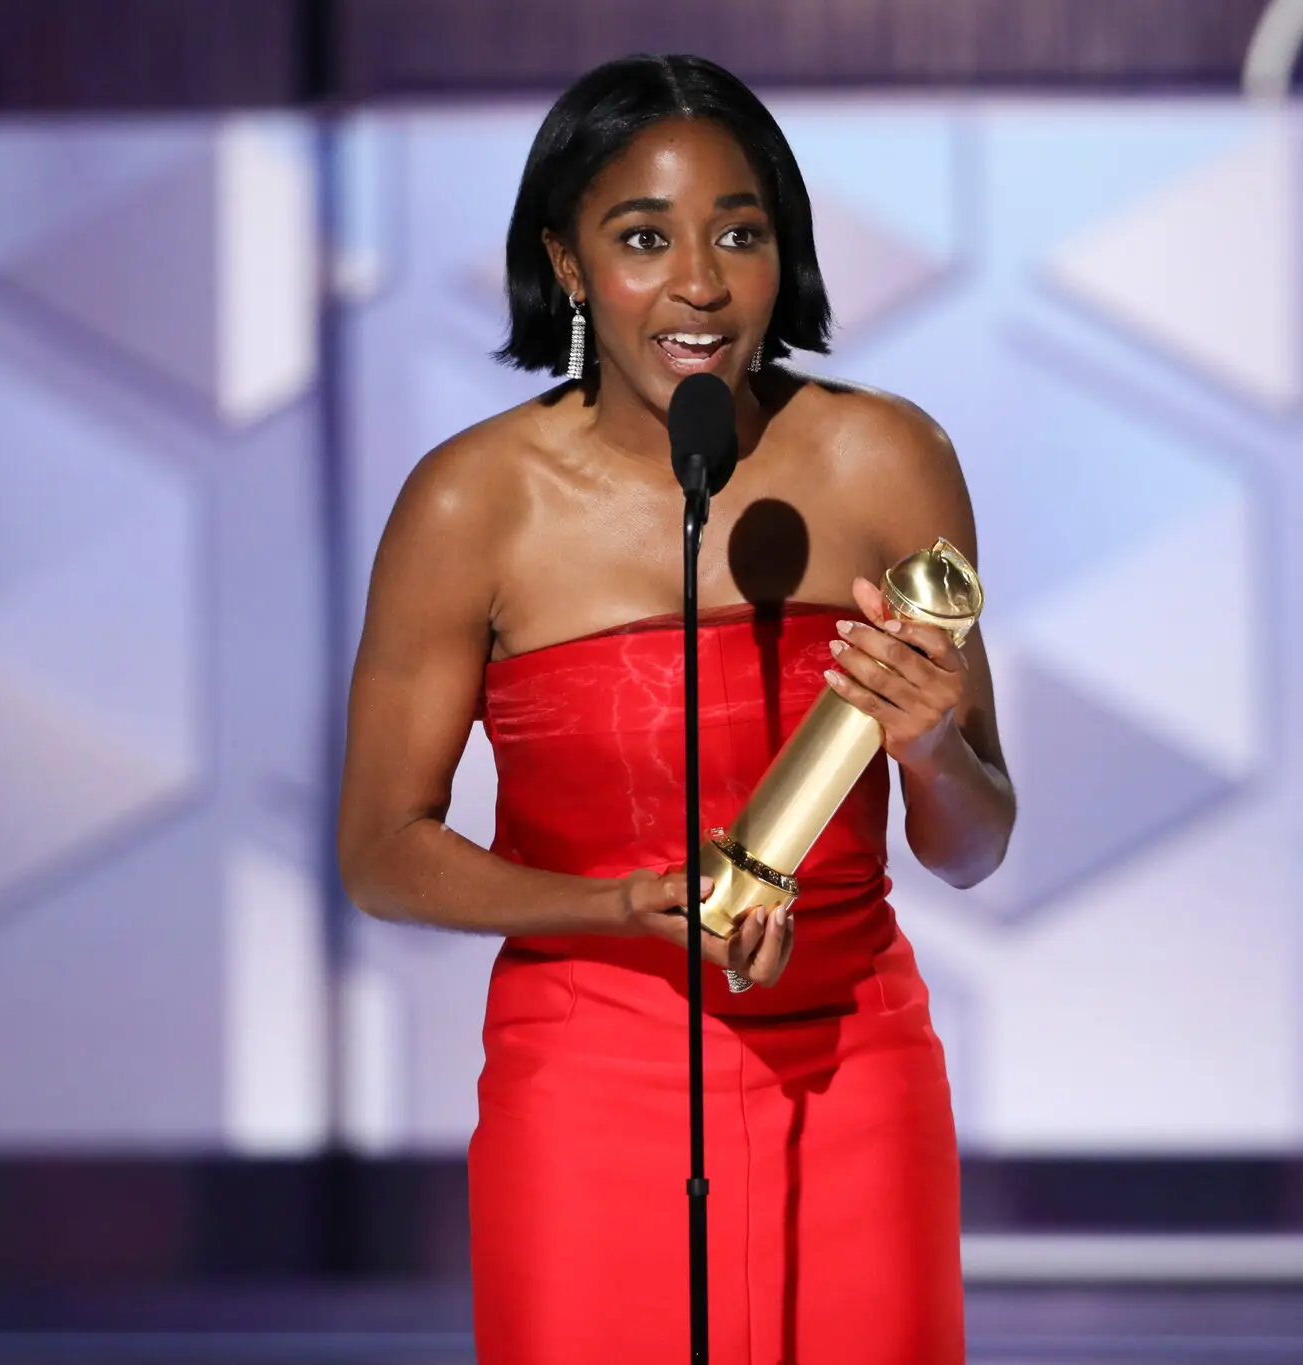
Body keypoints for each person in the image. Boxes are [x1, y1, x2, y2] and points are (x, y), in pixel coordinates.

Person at [337, 53, 1014, 1365]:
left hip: (852, 1066)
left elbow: (976, 844)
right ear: (570, 264)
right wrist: (609, 905)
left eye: (739, 234)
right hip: (587, 1075)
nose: (698, 283)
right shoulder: (471, 503)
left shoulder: (887, 459)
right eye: (643, 237)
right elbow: (380, 852)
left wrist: (931, 744)